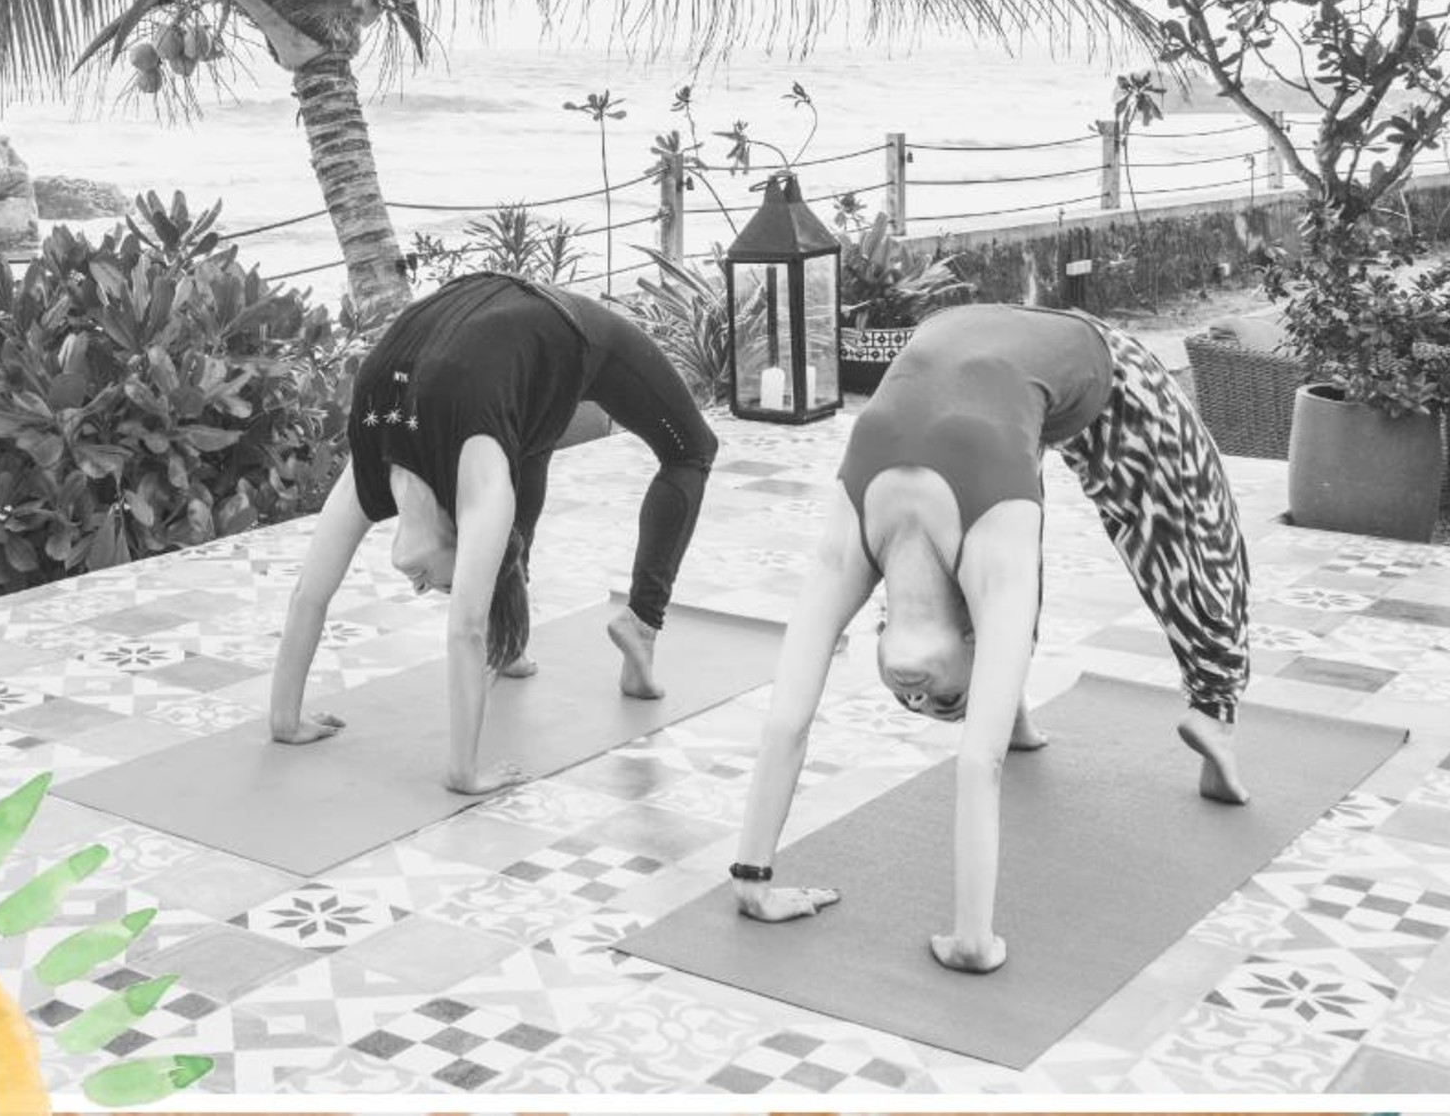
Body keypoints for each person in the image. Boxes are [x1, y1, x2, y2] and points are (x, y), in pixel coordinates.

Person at [728, 302, 1251, 973]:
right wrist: (750, 879)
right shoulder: (853, 530)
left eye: (942, 701)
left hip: (1099, 363)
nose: (935, 708)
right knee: (1031, 553)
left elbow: (977, 763)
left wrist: (974, 942)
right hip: (960, 340)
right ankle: (1046, 708)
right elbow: (784, 721)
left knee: (1194, 523)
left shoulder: (981, 547)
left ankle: (1215, 712)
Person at [268, 271, 718, 794]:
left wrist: (464, 772)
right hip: (481, 341)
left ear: (466, 532)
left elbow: (466, 627)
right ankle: (516, 647)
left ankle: (642, 621)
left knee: (692, 449)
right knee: (515, 448)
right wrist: (284, 719)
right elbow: (309, 593)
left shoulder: (446, 471)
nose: (424, 587)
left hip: (568, 326)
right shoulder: (395, 462)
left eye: (442, 583)